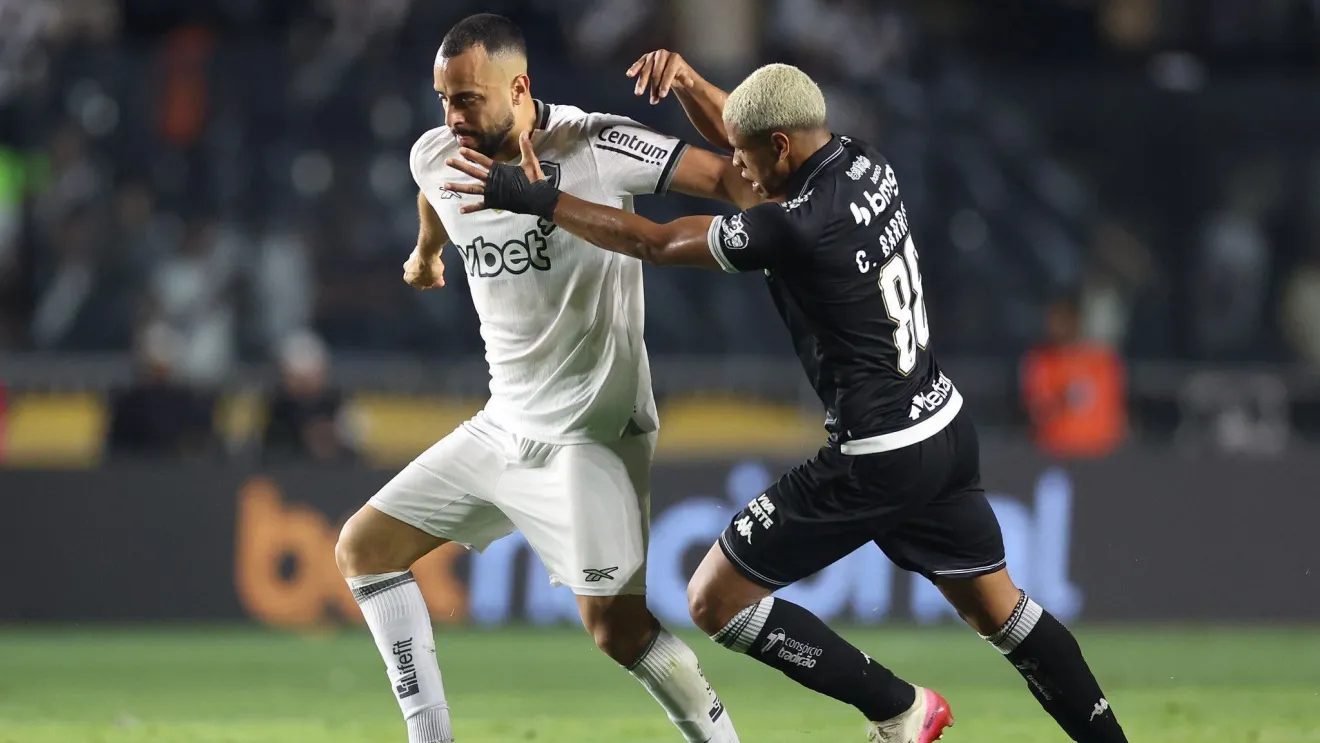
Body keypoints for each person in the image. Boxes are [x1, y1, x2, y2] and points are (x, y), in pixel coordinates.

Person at [446, 55, 1130, 743]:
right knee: (1004, 616)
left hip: (876, 455)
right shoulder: (864, 162)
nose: (733, 169)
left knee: (715, 598)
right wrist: (686, 83)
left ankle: (900, 707)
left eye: (745, 156)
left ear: (780, 148)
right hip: (941, 424)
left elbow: (654, 243)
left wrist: (543, 201)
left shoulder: (794, 225)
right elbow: (752, 139)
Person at [333, 16, 758, 743]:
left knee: (618, 631)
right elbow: (433, 189)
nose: (452, 117)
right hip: (503, 425)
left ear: (520, 87)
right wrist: (426, 253)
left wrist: (689, 82)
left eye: (467, 99)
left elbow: (731, 178)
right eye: (442, 99)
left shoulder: (597, 144)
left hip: (594, 435)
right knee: (362, 549)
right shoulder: (437, 152)